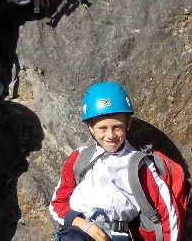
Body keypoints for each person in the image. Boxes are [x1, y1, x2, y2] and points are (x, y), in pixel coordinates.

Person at [48, 82, 182, 241]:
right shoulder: (79, 158)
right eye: (102, 128)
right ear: (90, 127)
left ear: (128, 124)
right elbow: (57, 203)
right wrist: (83, 224)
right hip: (79, 231)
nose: (110, 135)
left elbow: (166, 211)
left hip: (119, 234)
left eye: (117, 127)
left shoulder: (139, 164)